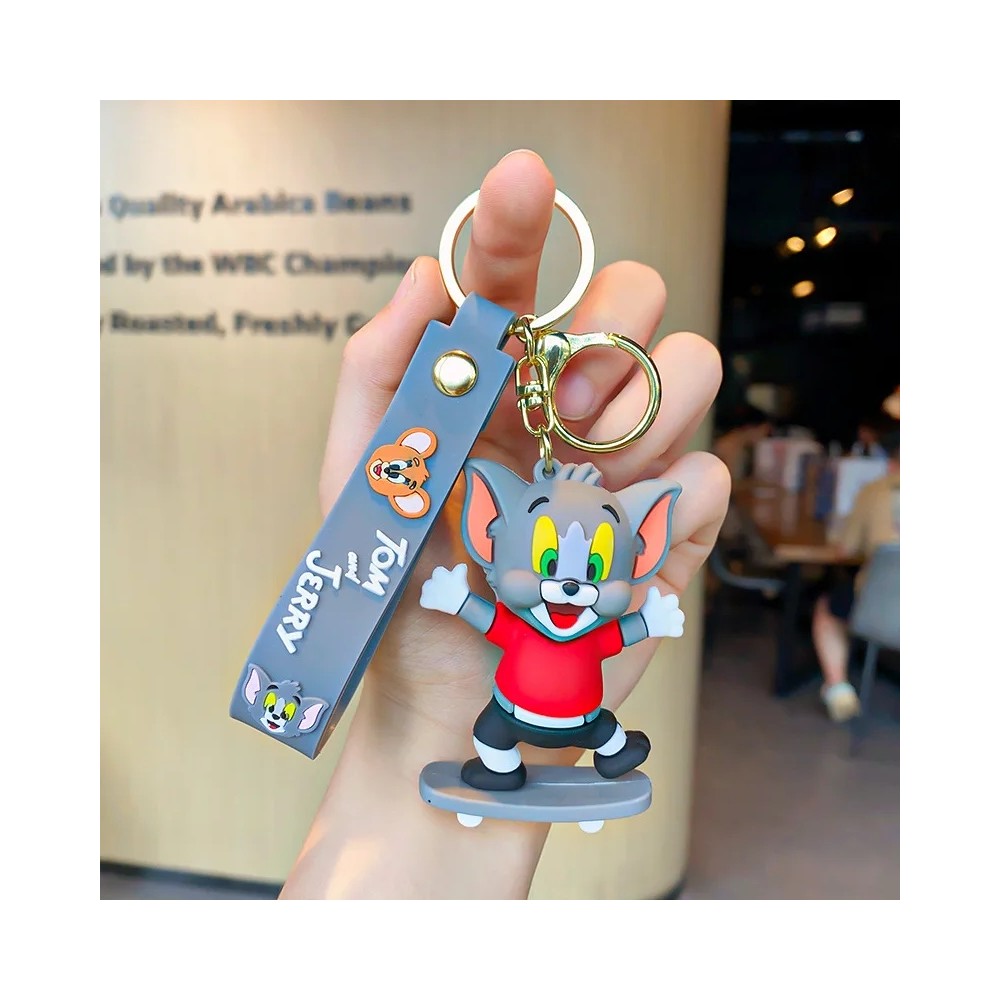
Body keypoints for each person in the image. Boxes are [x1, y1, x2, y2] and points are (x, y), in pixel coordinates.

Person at [278, 150, 730, 899]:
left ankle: (603, 750)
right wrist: (453, 612)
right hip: (511, 708)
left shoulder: (583, 623)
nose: (569, 589)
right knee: (493, 734)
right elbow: (493, 621)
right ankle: (503, 766)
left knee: (594, 732)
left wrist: (647, 615)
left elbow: (604, 629)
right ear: (487, 532)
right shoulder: (518, 608)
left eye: (594, 572)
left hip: (577, 711)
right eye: (549, 564)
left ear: (642, 546)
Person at [811, 426, 900, 722]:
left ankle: (838, 686)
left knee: (828, 608)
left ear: (891, 462)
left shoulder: (875, 492)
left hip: (881, 609)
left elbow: (844, 549)